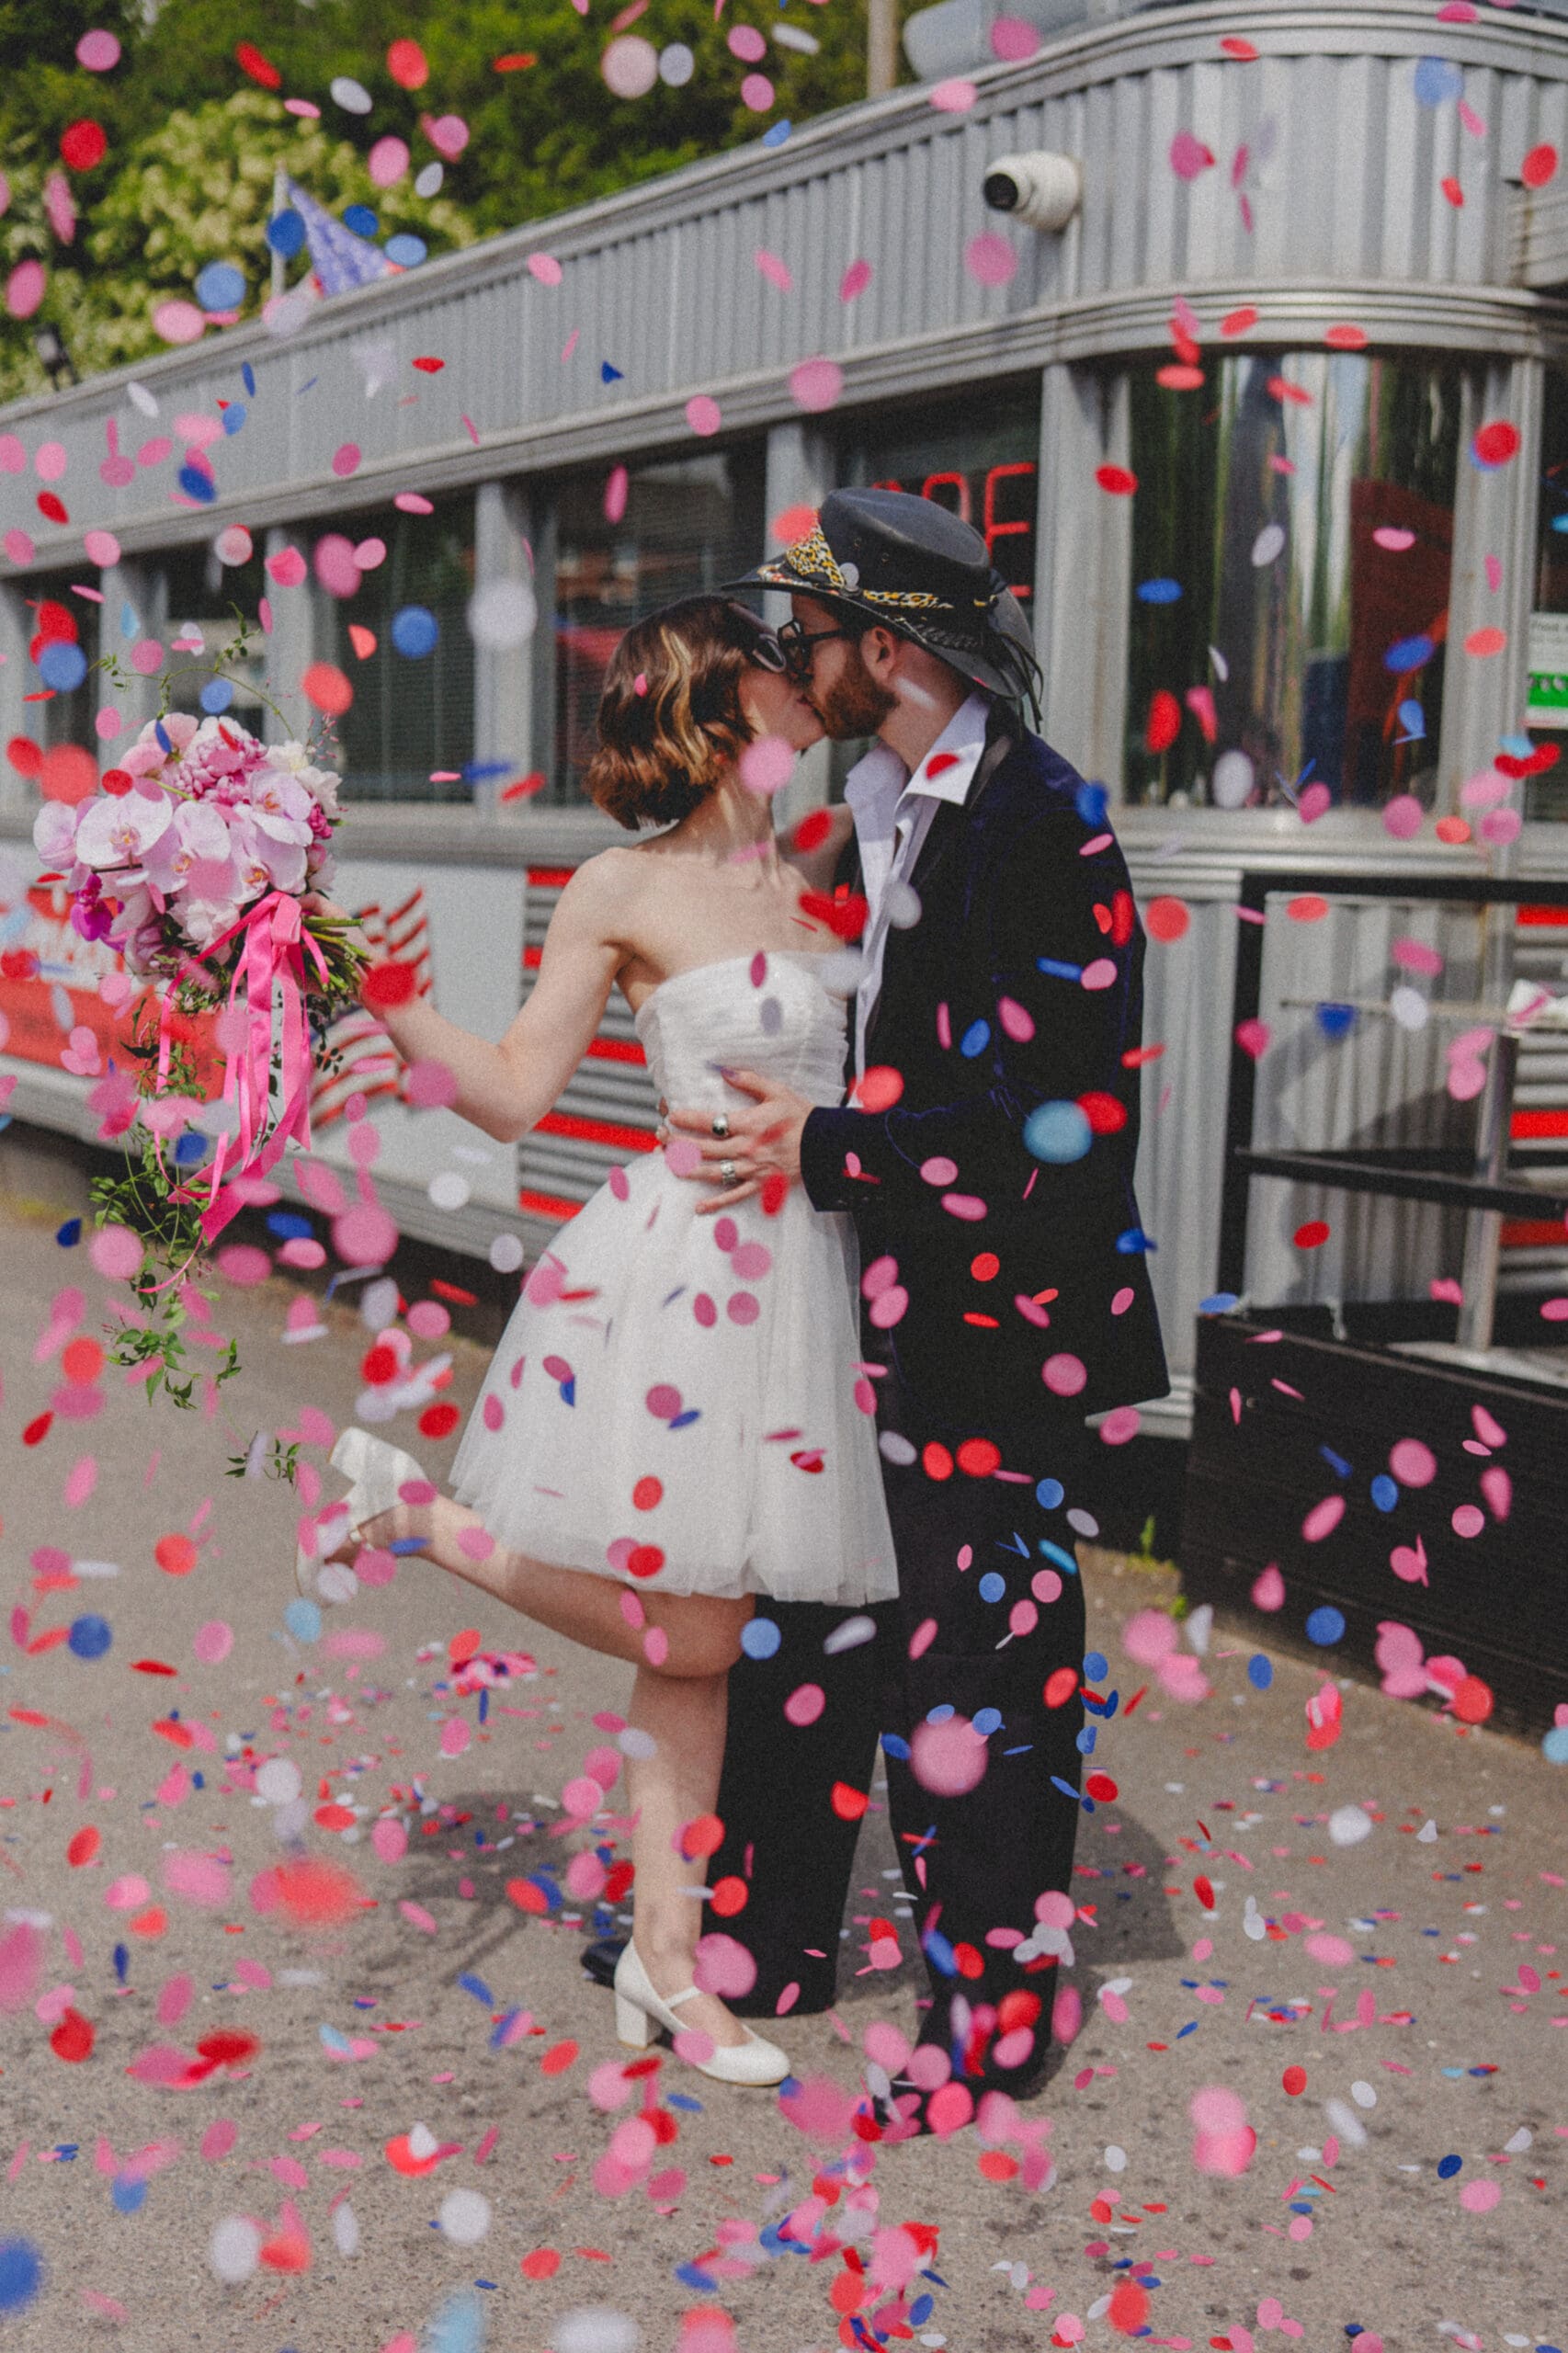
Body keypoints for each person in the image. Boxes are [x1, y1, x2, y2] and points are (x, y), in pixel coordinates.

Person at [588, 489, 1170, 2135]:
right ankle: (767, 1943)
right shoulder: (881, 800)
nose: (793, 661)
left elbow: (1064, 1122)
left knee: (976, 1659)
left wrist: (818, 1141)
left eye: (812, 636)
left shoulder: (1041, 825)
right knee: (809, 1619)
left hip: (1001, 1318)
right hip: (873, 1297)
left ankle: (994, 2024)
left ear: (889, 650)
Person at [297, 594, 899, 2088]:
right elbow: (513, 1093)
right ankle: (416, 1517)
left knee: (703, 1659)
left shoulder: (807, 861)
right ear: (717, 696)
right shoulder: (618, 886)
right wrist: (390, 1002)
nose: (803, 680)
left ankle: (669, 1967)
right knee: (697, 1631)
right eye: (778, 658)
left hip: (801, 1277)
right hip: (687, 1275)